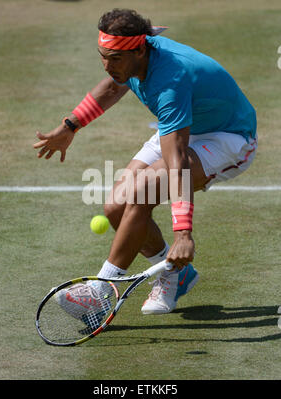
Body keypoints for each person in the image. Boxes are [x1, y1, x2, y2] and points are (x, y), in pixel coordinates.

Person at [33, 9, 257, 316]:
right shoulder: (132, 59)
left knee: (141, 191)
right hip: (185, 124)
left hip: (227, 136)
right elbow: (112, 88)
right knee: (115, 207)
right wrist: (70, 125)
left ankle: (100, 292)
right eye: (103, 56)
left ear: (140, 49)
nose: (107, 65)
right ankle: (175, 275)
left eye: (115, 58)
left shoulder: (170, 82)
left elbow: (176, 161)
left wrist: (183, 234)